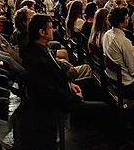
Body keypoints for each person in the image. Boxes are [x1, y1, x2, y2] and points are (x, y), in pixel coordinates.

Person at [20, 14, 107, 149]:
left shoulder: (41, 47)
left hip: (60, 90)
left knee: (91, 83)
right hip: (54, 102)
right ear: (42, 32)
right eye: (50, 28)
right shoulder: (37, 60)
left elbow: (54, 77)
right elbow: (51, 92)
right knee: (105, 108)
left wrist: (70, 84)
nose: (53, 30)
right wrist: (75, 99)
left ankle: (80, 120)